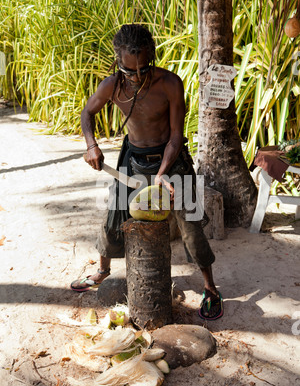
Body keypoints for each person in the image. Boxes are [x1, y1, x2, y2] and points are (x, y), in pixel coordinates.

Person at [70, 24, 223, 320]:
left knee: (190, 224)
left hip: (172, 159)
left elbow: (177, 136)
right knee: (112, 215)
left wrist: (163, 173)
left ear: (152, 56)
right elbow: (87, 113)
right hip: (133, 159)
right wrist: (91, 145)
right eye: (129, 71)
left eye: (143, 69)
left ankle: (211, 287)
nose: (137, 77)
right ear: (118, 63)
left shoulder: (170, 84)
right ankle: (102, 271)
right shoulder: (111, 86)